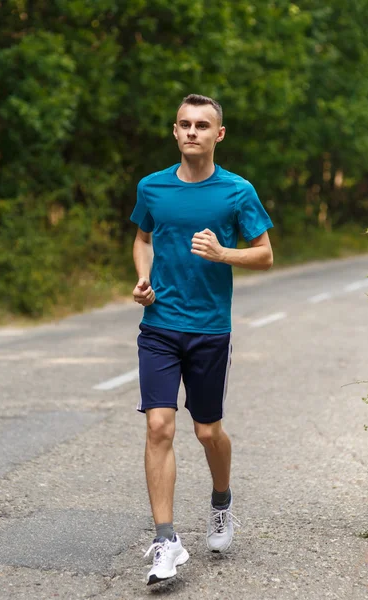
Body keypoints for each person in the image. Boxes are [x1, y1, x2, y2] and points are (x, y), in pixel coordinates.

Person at [130, 94, 273, 586]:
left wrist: (221, 253)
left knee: (207, 431)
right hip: (159, 325)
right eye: (185, 125)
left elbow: (266, 255)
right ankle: (166, 540)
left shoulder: (237, 191)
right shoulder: (152, 187)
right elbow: (143, 237)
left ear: (219, 134)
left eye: (202, 125)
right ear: (175, 131)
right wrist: (143, 278)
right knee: (159, 426)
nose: (192, 132)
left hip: (210, 328)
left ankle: (221, 502)